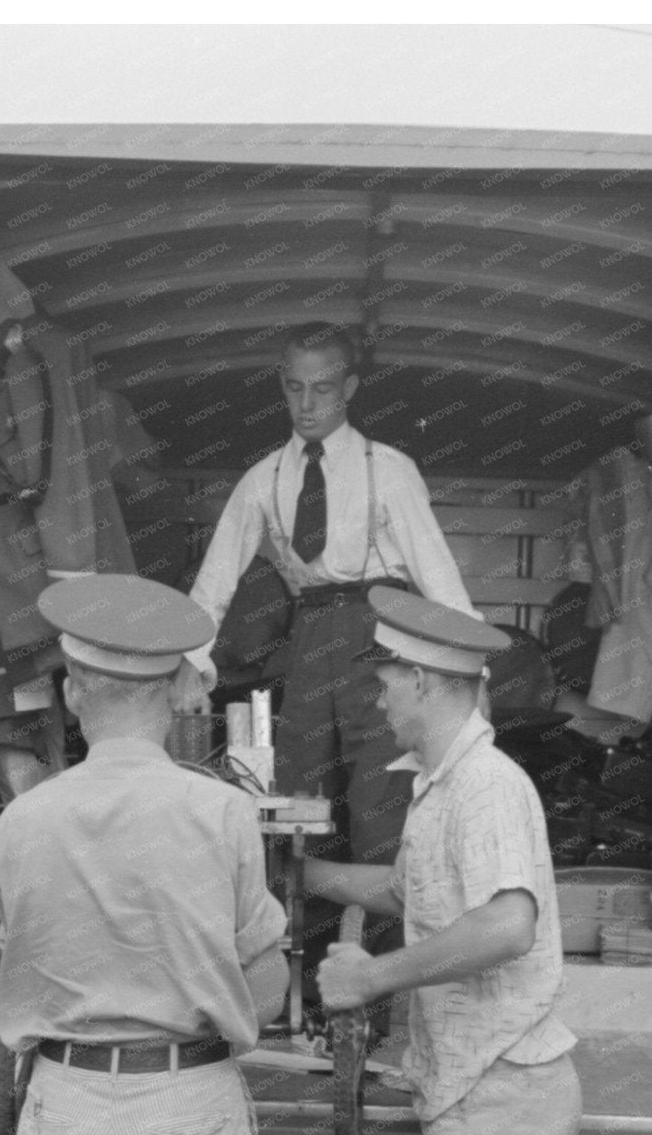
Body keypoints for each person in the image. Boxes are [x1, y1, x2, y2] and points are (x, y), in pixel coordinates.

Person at [0, 574, 288, 1135]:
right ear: (181, 689)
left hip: (62, 1112)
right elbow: (267, 995)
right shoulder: (221, 812)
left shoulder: (22, 822)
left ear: (73, 692)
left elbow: (16, 964)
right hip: (183, 1113)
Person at [174, 323, 475, 1016]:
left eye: (324, 389)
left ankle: (380, 1003)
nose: (308, 404)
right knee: (295, 815)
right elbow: (214, 582)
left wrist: (466, 681)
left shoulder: (388, 468)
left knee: (382, 819)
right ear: (281, 385)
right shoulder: (264, 478)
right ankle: (302, 1000)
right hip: (309, 641)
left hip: (383, 641)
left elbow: (439, 576)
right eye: (294, 388)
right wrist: (190, 667)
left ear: (350, 388)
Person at [309, 586, 582, 1135]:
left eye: (386, 678)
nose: (378, 696)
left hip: (497, 1093)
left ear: (423, 680)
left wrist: (372, 976)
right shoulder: (444, 784)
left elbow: (505, 924)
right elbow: (411, 892)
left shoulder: (487, 787)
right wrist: (301, 872)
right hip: (479, 1084)